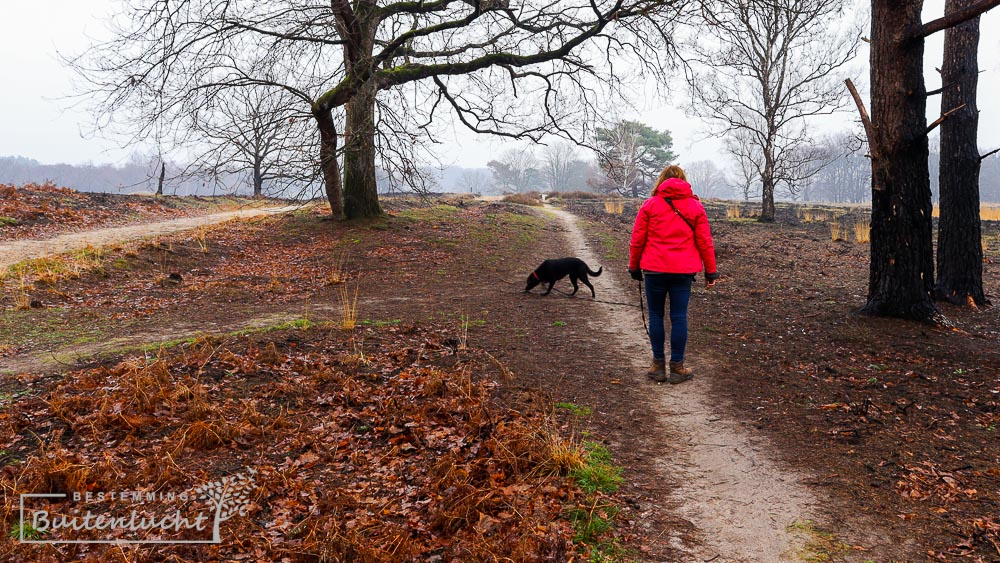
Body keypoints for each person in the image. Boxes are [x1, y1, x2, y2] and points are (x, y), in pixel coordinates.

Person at [628, 164, 719, 384]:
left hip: (654, 269)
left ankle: (658, 365)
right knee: (679, 317)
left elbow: (637, 238)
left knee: (656, 316)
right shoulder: (696, 207)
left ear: (661, 181)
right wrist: (711, 271)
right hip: (683, 271)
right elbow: (705, 241)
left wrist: (634, 266)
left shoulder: (650, 205)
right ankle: (677, 367)